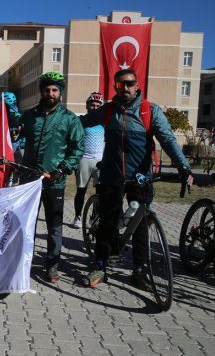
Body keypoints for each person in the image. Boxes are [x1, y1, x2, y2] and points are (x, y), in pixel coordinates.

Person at [80, 69, 192, 290]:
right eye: (120, 85)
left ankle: (139, 270)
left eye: (129, 83)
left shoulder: (149, 111)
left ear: (137, 85)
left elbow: (168, 140)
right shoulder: (109, 111)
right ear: (115, 87)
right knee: (107, 222)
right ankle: (100, 266)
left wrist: (183, 166)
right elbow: (81, 122)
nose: (125, 88)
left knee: (140, 224)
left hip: (140, 177)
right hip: (112, 175)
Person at [18, 72, 84, 283]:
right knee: (25, 224)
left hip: (55, 181)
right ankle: (21, 262)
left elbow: (77, 148)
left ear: (60, 93)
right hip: (29, 180)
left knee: (54, 225)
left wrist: (63, 169)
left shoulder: (70, 119)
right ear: (42, 91)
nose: (50, 93)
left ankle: (52, 265)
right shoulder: (29, 116)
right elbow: (16, 139)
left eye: (54, 90)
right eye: (47, 89)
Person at [71, 92, 105, 229]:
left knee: (100, 192)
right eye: (92, 105)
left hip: (100, 160)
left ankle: (94, 217)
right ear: (87, 105)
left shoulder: (104, 122)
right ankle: (78, 216)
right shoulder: (81, 121)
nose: (95, 107)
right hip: (84, 159)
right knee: (81, 190)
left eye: (98, 105)